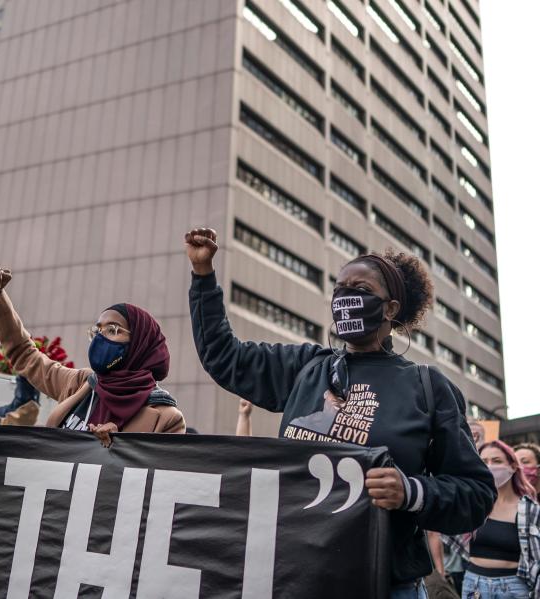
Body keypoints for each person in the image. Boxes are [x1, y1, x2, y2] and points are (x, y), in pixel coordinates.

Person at [185, 228, 495, 596]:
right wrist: (203, 275)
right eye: (339, 290)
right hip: (299, 576)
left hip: (386, 583)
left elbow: (475, 494)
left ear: (391, 309)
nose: (346, 298)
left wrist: (410, 492)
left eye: (360, 291)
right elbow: (224, 357)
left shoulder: (428, 388)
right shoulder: (306, 368)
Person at [0, 265, 184, 446]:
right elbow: (26, 355)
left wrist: (122, 446)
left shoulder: (166, 418)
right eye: (97, 330)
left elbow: (161, 486)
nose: (100, 338)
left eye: (113, 330)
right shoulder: (81, 384)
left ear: (141, 344)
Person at [461, 440, 539, 598]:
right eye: (483, 462)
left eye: (496, 461)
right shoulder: (473, 504)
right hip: (473, 587)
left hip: (513, 588)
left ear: (513, 466)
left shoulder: (530, 509)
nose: (489, 466)